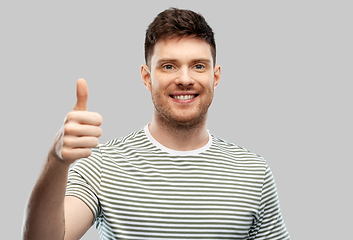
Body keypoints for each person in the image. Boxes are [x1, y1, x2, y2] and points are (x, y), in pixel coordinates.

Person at [23, 7, 290, 240]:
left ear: (215, 76)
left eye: (198, 66)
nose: (185, 79)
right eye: (169, 66)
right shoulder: (103, 165)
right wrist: (55, 161)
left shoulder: (254, 171)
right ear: (147, 77)